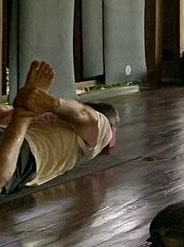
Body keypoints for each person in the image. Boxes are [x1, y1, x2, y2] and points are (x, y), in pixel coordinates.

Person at [0, 60, 119, 196]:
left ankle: (23, 114)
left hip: (17, 144)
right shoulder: (101, 125)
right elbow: (84, 113)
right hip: (23, 147)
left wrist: (48, 102)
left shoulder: (43, 110)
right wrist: (49, 102)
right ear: (111, 125)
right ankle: (23, 115)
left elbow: (83, 112)